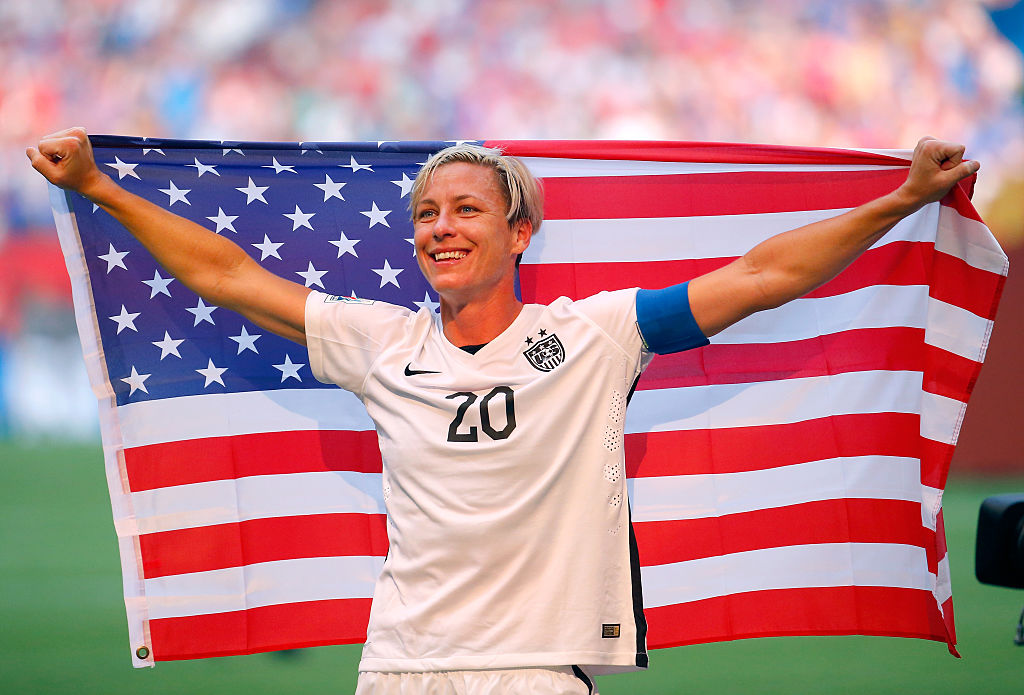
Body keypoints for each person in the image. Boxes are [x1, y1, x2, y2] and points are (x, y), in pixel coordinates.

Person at [28, 128, 978, 695]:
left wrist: (901, 197)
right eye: (427, 214)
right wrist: (100, 187)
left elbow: (763, 277)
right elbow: (228, 276)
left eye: (468, 210)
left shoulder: (601, 335)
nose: (442, 228)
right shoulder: (378, 340)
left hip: (536, 667)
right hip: (399, 667)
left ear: (521, 232)